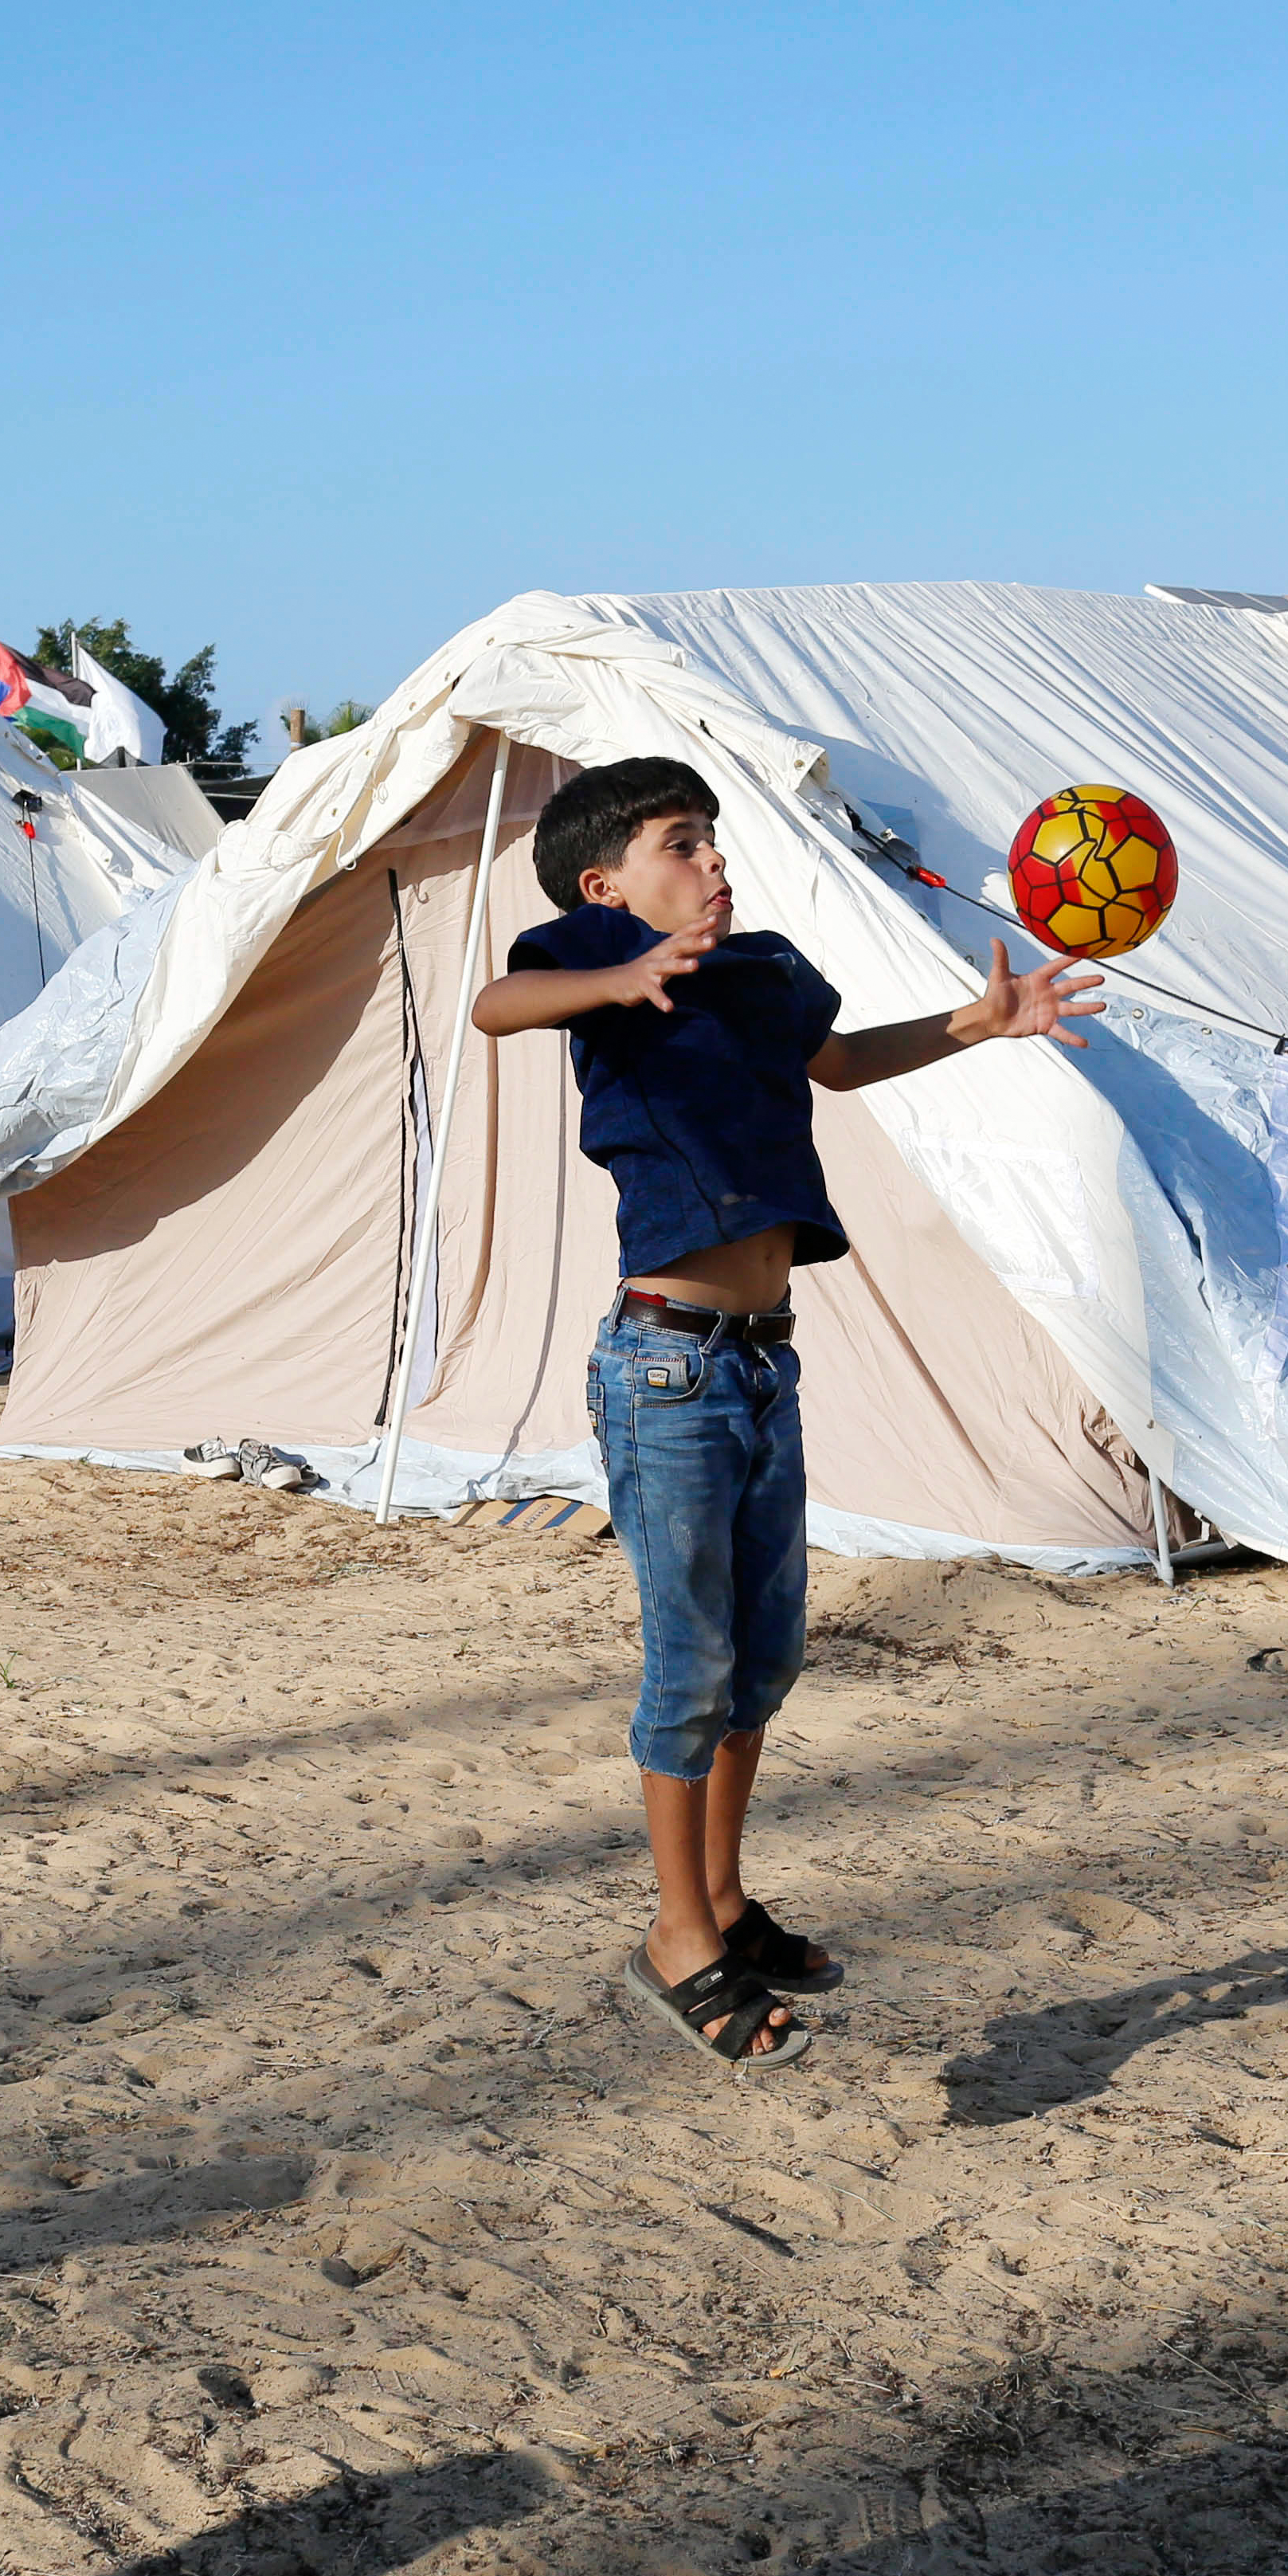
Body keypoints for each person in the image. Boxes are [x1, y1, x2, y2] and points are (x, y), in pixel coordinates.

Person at [474, 759, 1101, 2068]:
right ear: (607, 884)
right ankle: (674, 1940)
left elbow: (839, 1062)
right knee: (690, 1666)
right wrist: (616, 980)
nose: (713, 861)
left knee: (763, 1667)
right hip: (666, 1371)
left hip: (762, 1362)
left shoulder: (759, 968)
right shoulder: (591, 955)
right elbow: (497, 1003)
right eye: (680, 843)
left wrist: (977, 1025)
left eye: (714, 840)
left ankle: (723, 1906)